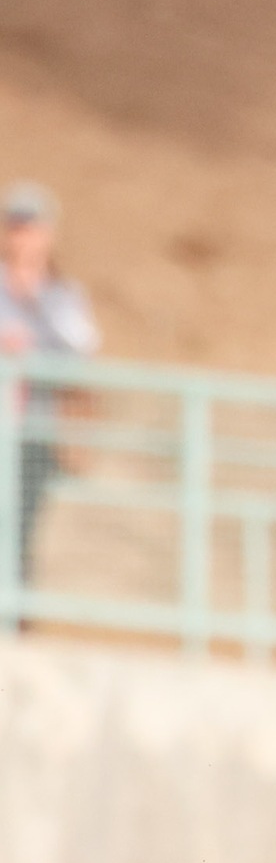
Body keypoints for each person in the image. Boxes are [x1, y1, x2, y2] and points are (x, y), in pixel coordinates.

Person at [2, 182, 102, 590]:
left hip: (35, 432)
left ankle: (14, 625)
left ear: (48, 233)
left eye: (31, 226)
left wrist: (33, 306)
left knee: (22, 528)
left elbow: (82, 350)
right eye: (14, 226)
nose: (22, 236)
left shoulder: (63, 295)